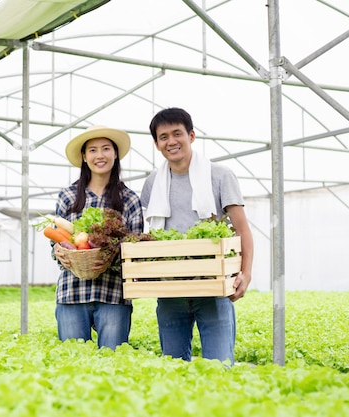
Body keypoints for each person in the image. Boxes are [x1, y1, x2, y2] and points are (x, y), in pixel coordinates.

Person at [141, 107, 253, 365]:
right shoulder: (152, 182)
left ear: (191, 136)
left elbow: (242, 230)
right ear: (157, 144)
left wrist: (245, 273)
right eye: (164, 136)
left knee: (220, 366)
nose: (171, 141)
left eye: (177, 133)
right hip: (170, 290)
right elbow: (148, 234)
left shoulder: (220, 175)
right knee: (173, 368)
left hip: (213, 288)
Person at [52, 125, 144, 350]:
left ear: (115, 154)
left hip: (113, 294)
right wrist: (59, 252)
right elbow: (55, 243)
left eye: (106, 149)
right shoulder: (68, 196)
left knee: (112, 365)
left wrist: (113, 256)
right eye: (92, 150)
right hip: (72, 293)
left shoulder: (129, 199)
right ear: (84, 157)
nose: (99, 155)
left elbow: (137, 250)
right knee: (73, 364)